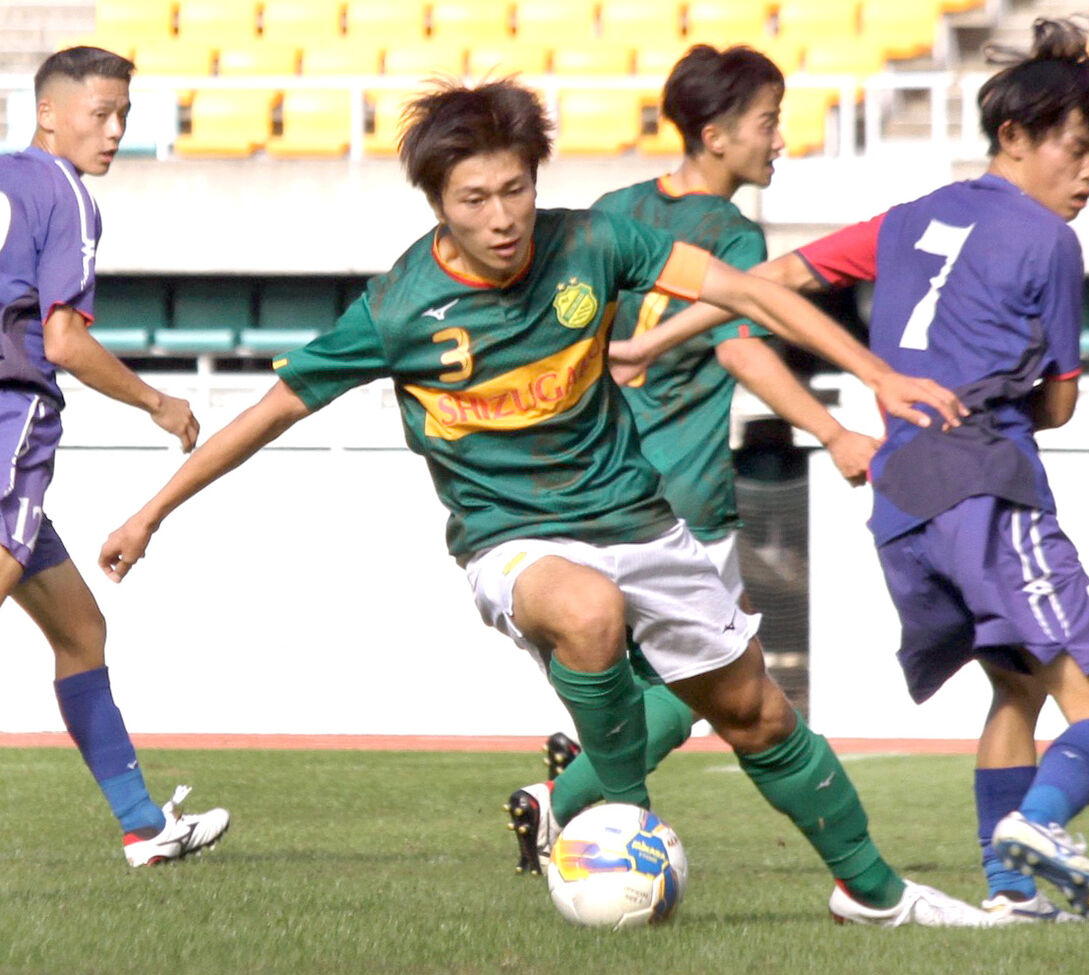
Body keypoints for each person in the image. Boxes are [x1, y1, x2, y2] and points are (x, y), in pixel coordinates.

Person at [97, 77, 988, 927]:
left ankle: (875, 893)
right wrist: (151, 511)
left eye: (515, 190)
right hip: (509, 539)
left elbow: (745, 290)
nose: (500, 217)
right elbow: (269, 412)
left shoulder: (594, 242)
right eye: (473, 198)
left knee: (757, 713)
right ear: (439, 203)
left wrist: (878, 373)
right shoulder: (398, 309)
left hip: (638, 516)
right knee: (589, 610)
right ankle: (625, 822)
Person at [608, 17, 1089, 923]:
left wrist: (652, 336)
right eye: (1078, 150)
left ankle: (1010, 889)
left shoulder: (908, 219)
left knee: (1015, 685)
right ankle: (1042, 825)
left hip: (899, 502)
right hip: (986, 482)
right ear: (1014, 137)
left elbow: (771, 277)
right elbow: (1057, 406)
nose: (1088, 174)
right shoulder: (1052, 242)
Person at [505, 44, 879, 882]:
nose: (779, 138)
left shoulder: (614, 210)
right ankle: (560, 800)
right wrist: (833, 428)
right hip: (682, 497)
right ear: (715, 135)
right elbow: (743, 348)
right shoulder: (732, 237)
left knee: (652, 681)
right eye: (768, 121)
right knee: (706, 687)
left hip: (586, 490)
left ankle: (582, 787)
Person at [1, 47, 230, 866]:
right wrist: (159, 403)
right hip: (10, 418)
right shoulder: (63, 192)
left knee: (80, 629)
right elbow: (62, 339)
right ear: (49, 112)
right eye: (100, 112)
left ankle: (144, 823)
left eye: (124, 114)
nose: (115, 129)